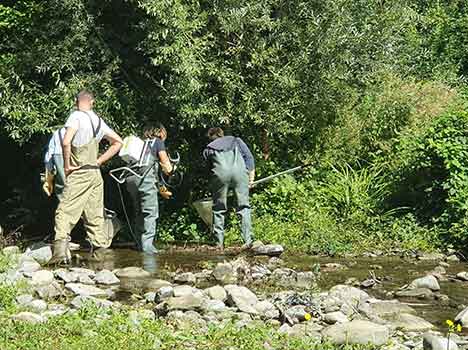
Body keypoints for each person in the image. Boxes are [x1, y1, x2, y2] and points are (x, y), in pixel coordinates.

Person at [49, 90, 123, 264]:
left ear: (76, 102)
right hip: (95, 174)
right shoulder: (98, 120)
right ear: (92, 102)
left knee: (65, 211)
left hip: (80, 172)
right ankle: (101, 257)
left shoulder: (75, 117)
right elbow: (118, 142)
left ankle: (60, 255)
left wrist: (67, 165)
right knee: (95, 214)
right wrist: (99, 161)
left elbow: (66, 141)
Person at [203, 127, 255, 250]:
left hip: (220, 175)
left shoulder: (208, 148)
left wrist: (215, 185)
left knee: (219, 208)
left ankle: (219, 244)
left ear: (210, 137)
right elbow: (249, 158)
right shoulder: (237, 140)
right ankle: (247, 241)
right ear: (222, 134)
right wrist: (250, 179)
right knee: (244, 207)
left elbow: (208, 170)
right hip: (240, 173)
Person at [125, 123, 173, 254]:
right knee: (150, 212)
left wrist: (162, 190)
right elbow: (166, 165)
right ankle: (148, 248)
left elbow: (154, 176)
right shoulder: (157, 142)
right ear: (160, 132)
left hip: (130, 180)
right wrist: (171, 169)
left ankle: (139, 243)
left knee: (139, 211)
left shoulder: (140, 144)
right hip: (144, 180)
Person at [43, 127, 66, 200]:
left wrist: (48, 180)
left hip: (65, 194)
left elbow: (49, 161)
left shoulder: (59, 133)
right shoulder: (93, 127)